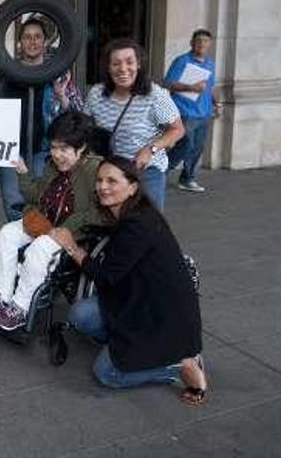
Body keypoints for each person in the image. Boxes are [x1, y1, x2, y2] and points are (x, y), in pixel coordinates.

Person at [50, 155, 208, 404]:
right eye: (100, 180)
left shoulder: (137, 224)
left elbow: (106, 277)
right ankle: (131, 349)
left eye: (112, 181)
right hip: (136, 299)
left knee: (106, 374)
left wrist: (72, 248)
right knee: (80, 315)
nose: (103, 186)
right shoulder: (132, 213)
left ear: (132, 187)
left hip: (157, 315)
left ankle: (177, 365)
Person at [0, 112, 102, 330]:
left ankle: (20, 307)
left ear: (81, 148)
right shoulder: (52, 165)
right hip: (44, 222)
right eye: (53, 148)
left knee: (39, 248)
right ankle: (1, 295)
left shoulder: (94, 169)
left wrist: (62, 230)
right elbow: (37, 196)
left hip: (72, 233)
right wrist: (22, 172)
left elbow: (94, 211)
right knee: (7, 232)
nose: (57, 154)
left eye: (64, 149)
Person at [0, 17, 84, 222]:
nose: (32, 42)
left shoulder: (58, 72)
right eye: (27, 37)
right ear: (20, 42)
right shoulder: (6, 74)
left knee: (43, 200)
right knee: (14, 203)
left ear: (45, 41)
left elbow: (78, 114)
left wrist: (61, 95)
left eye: (37, 37)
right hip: (11, 150)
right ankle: (17, 247)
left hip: (45, 151)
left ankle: (39, 247)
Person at [84, 38, 185, 209]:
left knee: (146, 225)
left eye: (129, 62)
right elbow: (86, 126)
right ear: (108, 67)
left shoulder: (155, 95)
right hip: (109, 170)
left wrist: (151, 149)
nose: (123, 69)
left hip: (145, 171)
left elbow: (177, 129)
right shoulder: (96, 94)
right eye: (116, 63)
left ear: (138, 64)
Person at [164, 29, 223, 193]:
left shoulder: (210, 63)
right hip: (185, 111)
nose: (202, 44)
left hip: (203, 112)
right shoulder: (182, 61)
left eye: (205, 41)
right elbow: (169, 83)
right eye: (198, 41)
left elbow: (211, 87)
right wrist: (190, 87)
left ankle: (187, 178)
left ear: (209, 44)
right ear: (192, 43)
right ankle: (161, 171)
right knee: (185, 144)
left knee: (197, 147)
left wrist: (217, 104)